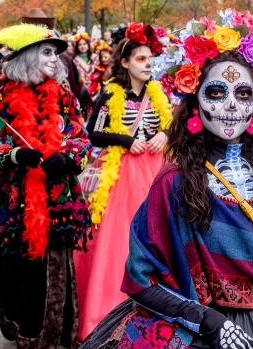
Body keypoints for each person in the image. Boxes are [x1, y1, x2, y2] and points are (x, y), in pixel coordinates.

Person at [80, 11, 253, 349]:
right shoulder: (174, 181)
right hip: (209, 330)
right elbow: (141, 278)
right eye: (217, 93)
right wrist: (209, 321)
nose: (231, 105)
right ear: (195, 100)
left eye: (243, 94)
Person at [0, 23, 92, 348]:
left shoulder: (63, 96)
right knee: (19, 275)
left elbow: (81, 136)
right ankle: (25, 332)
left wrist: (68, 157)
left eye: (56, 53)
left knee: (57, 273)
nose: (56, 59)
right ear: (26, 57)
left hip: (58, 200)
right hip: (14, 206)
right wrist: (13, 155)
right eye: (48, 52)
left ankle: (57, 335)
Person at [73, 23, 171, 341]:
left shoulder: (160, 96)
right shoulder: (110, 94)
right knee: (119, 240)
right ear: (126, 62)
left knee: (160, 234)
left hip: (156, 172)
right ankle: (111, 310)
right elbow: (92, 132)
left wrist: (165, 134)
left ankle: (163, 306)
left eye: (150, 58)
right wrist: (124, 139)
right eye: (141, 58)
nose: (148, 64)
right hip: (122, 175)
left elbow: (175, 127)